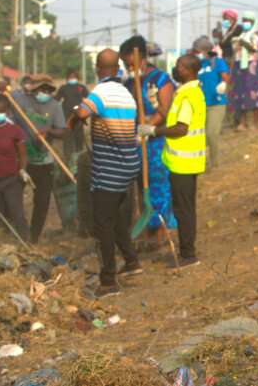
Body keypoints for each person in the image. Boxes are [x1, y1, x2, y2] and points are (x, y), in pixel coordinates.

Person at [67, 49, 141, 298]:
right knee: (115, 216)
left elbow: (81, 113)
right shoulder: (126, 94)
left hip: (108, 169)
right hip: (128, 166)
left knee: (102, 225)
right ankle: (131, 261)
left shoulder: (100, 92)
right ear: (118, 69)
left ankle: (108, 281)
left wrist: (75, 117)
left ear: (98, 69)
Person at [138, 54, 205, 268]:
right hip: (186, 162)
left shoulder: (188, 95)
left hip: (183, 164)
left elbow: (180, 128)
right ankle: (187, 251)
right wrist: (155, 104)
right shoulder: (188, 92)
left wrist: (153, 130)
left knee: (183, 210)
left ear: (188, 70)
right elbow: (175, 118)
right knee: (186, 208)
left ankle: (188, 254)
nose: (175, 70)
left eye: (178, 66)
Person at [120, 35, 178, 246]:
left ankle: (160, 233)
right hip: (136, 142)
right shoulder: (128, 84)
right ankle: (147, 230)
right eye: (126, 65)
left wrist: (148, 127)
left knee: (158, 185)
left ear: (143, 59)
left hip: (156, 142)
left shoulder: (160, 80)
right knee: (141, 187)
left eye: (132, 64)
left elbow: (165, 111)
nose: (129, 68)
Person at [11, 74, 65, 245]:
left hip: (44, 160)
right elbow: (3, 99)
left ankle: (34, 237)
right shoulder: (19, 99)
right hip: (21, 159)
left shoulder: (55, 106)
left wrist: (48, 132)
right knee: (14, 198)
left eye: (49, 90)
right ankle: (18, 233)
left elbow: (63, 132)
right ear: (34, 90)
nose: (46, 93)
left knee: (42, 201)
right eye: (42, 89)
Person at [0, 94, 32, 243]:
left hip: (11, 179)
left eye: (2, 111)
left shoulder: (14, 130)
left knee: (17, 214)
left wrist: (22, 170)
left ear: (7, 112)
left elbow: (23, 155)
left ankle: (26, 244)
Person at [193, 36, 229, 170]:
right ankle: (200, 163)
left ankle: (215, 163)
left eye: (197, 51)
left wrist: (223, 83)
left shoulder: (218, 62)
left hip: (216, 103)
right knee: (200, 136)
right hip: (201, 104)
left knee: (212, 134)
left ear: (204, 51)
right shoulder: (198, 65)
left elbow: (225, 75)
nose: (196, 54)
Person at [229, 11, 258, 130]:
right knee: (240, 93)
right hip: (240, 65)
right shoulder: (242, 34)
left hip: (251, 65)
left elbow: (255, 47)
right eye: (243, 20)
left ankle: (255, 123)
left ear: (253, 21)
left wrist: (242, 43)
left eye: (247, 20)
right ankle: (242, 122)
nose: (245, 23)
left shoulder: (256, 34)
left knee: (253, 92)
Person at [54, 70, 89, 160]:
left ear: (77, 78)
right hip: (66, 115)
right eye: (70, 77)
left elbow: (88, 98)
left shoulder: (81, 88)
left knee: (79, 136)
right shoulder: (63, 88)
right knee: (68, 135)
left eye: (73, 77)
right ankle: (67, 155)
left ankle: (79, 154)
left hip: (78, 115)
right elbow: (56, 99)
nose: (72, 79)